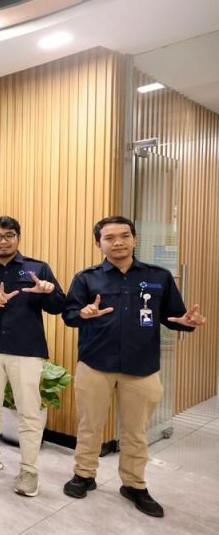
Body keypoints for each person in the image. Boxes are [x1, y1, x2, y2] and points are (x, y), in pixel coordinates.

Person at [62, 216, 205, 517]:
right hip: (95, 364)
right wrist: (83, 313)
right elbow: (69, 315)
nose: (118, 242)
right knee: (89, 426)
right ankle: (84, 474)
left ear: (135, 239)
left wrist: (185, 322)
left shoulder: (158, 276)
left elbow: (173, 316)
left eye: (124, 236)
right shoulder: (86, 278)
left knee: (136, 431)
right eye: (109, 238)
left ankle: (134, 484)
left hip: (142, 367)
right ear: (99, 243)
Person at [0, 217, 65, 497]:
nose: (3, 241)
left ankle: (29, 470)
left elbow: (58, 306)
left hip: (27, 350)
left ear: (18, 237)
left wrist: (48, 292)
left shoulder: (37, 268)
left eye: (9, 235)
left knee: (29, 412)